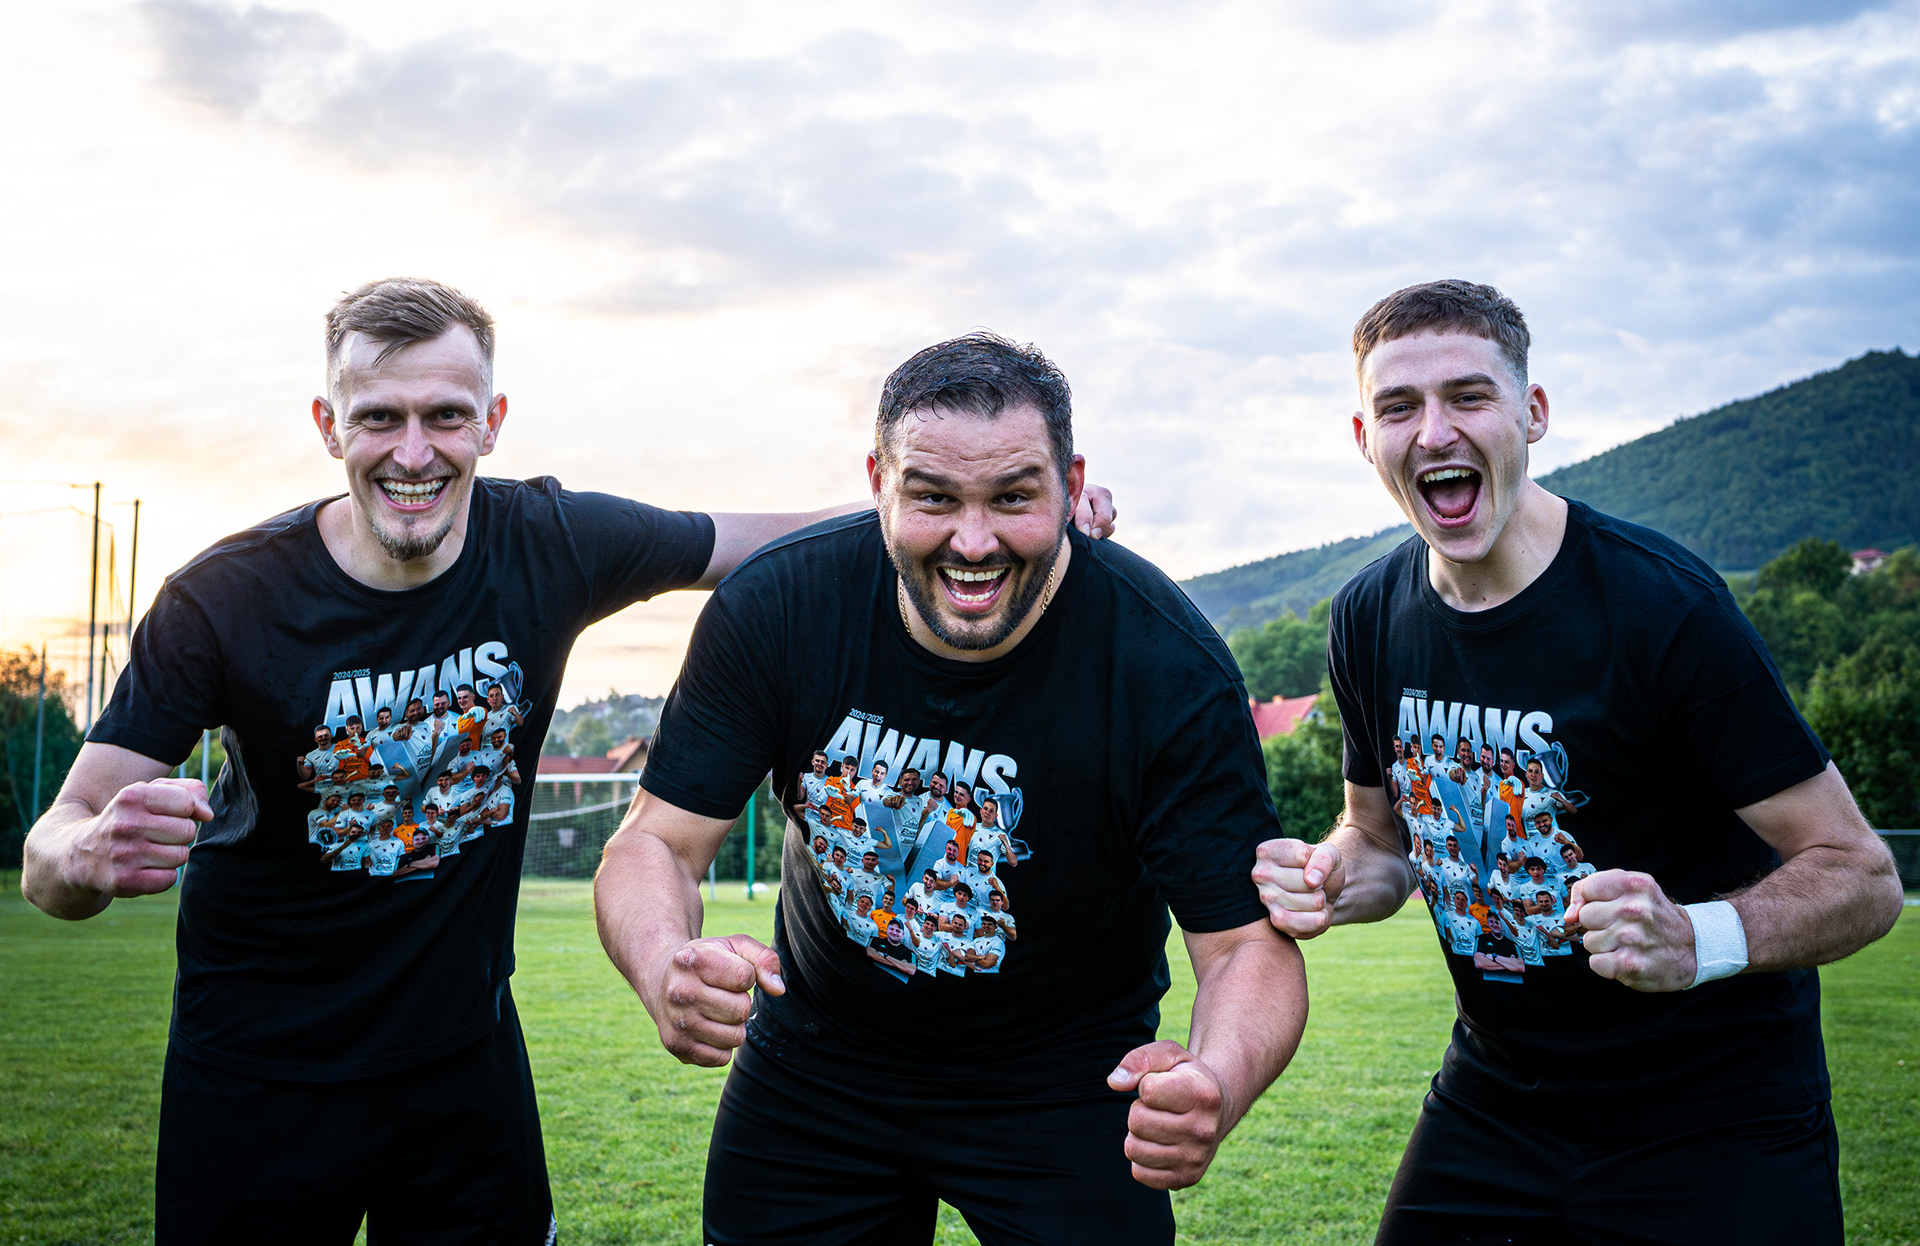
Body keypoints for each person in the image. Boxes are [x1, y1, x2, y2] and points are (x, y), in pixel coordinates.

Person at [14, 277, 1117, 1245]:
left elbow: (760, 540)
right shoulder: (224, 599)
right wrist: (90, 852)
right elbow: (47, 857)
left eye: (446, 416)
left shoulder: (549, 540)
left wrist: (1003, 513)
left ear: (491, 423)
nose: (413, 453)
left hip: (463, 1065)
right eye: (379, 417)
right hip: (258, 1077)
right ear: (327, 424)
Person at [594, 330, 1305, 1245]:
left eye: (1013, 497)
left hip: (1065, 1081)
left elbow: (1245, 945)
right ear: (879, 483)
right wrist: (664, 964)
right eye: (933, 497)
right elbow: (654, 842)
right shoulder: (780, 605)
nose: (974, 542)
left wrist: (1216, 1079)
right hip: (817, 1067)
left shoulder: (1165, 663)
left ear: (1071, 484)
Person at [1252, 279, 1904, 1243]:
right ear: (1364, 439)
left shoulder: (1664, 608)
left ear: (1533, 413)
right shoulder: (1368, 616)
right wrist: (1333, 874)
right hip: (1496, 1099)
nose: (1434, 432)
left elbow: (1863, 876)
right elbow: (1380, 838)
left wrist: (1696, 937)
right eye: (1399, 407)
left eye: (1468, 396)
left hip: (1717, 1118)